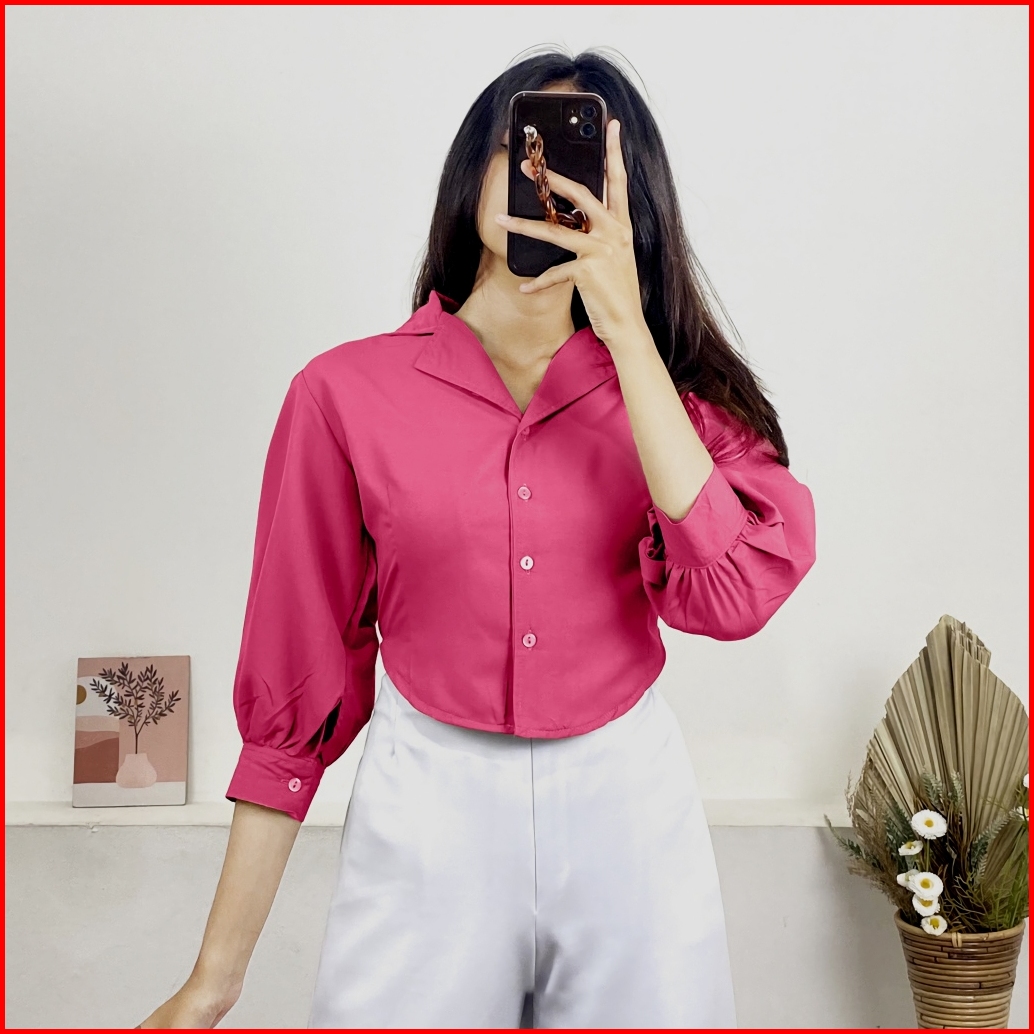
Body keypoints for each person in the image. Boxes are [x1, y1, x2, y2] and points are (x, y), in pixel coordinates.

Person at [138, 46, 816, 1030]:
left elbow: (735, 593)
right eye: (525, 148)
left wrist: (627, 333)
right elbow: (294, 696)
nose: (546, 182)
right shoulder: (341, 395)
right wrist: (214, 980)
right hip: (426, 806)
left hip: (626, 811)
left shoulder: (674, 403)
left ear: (629, 203)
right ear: (475, 171)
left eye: (580, 162)